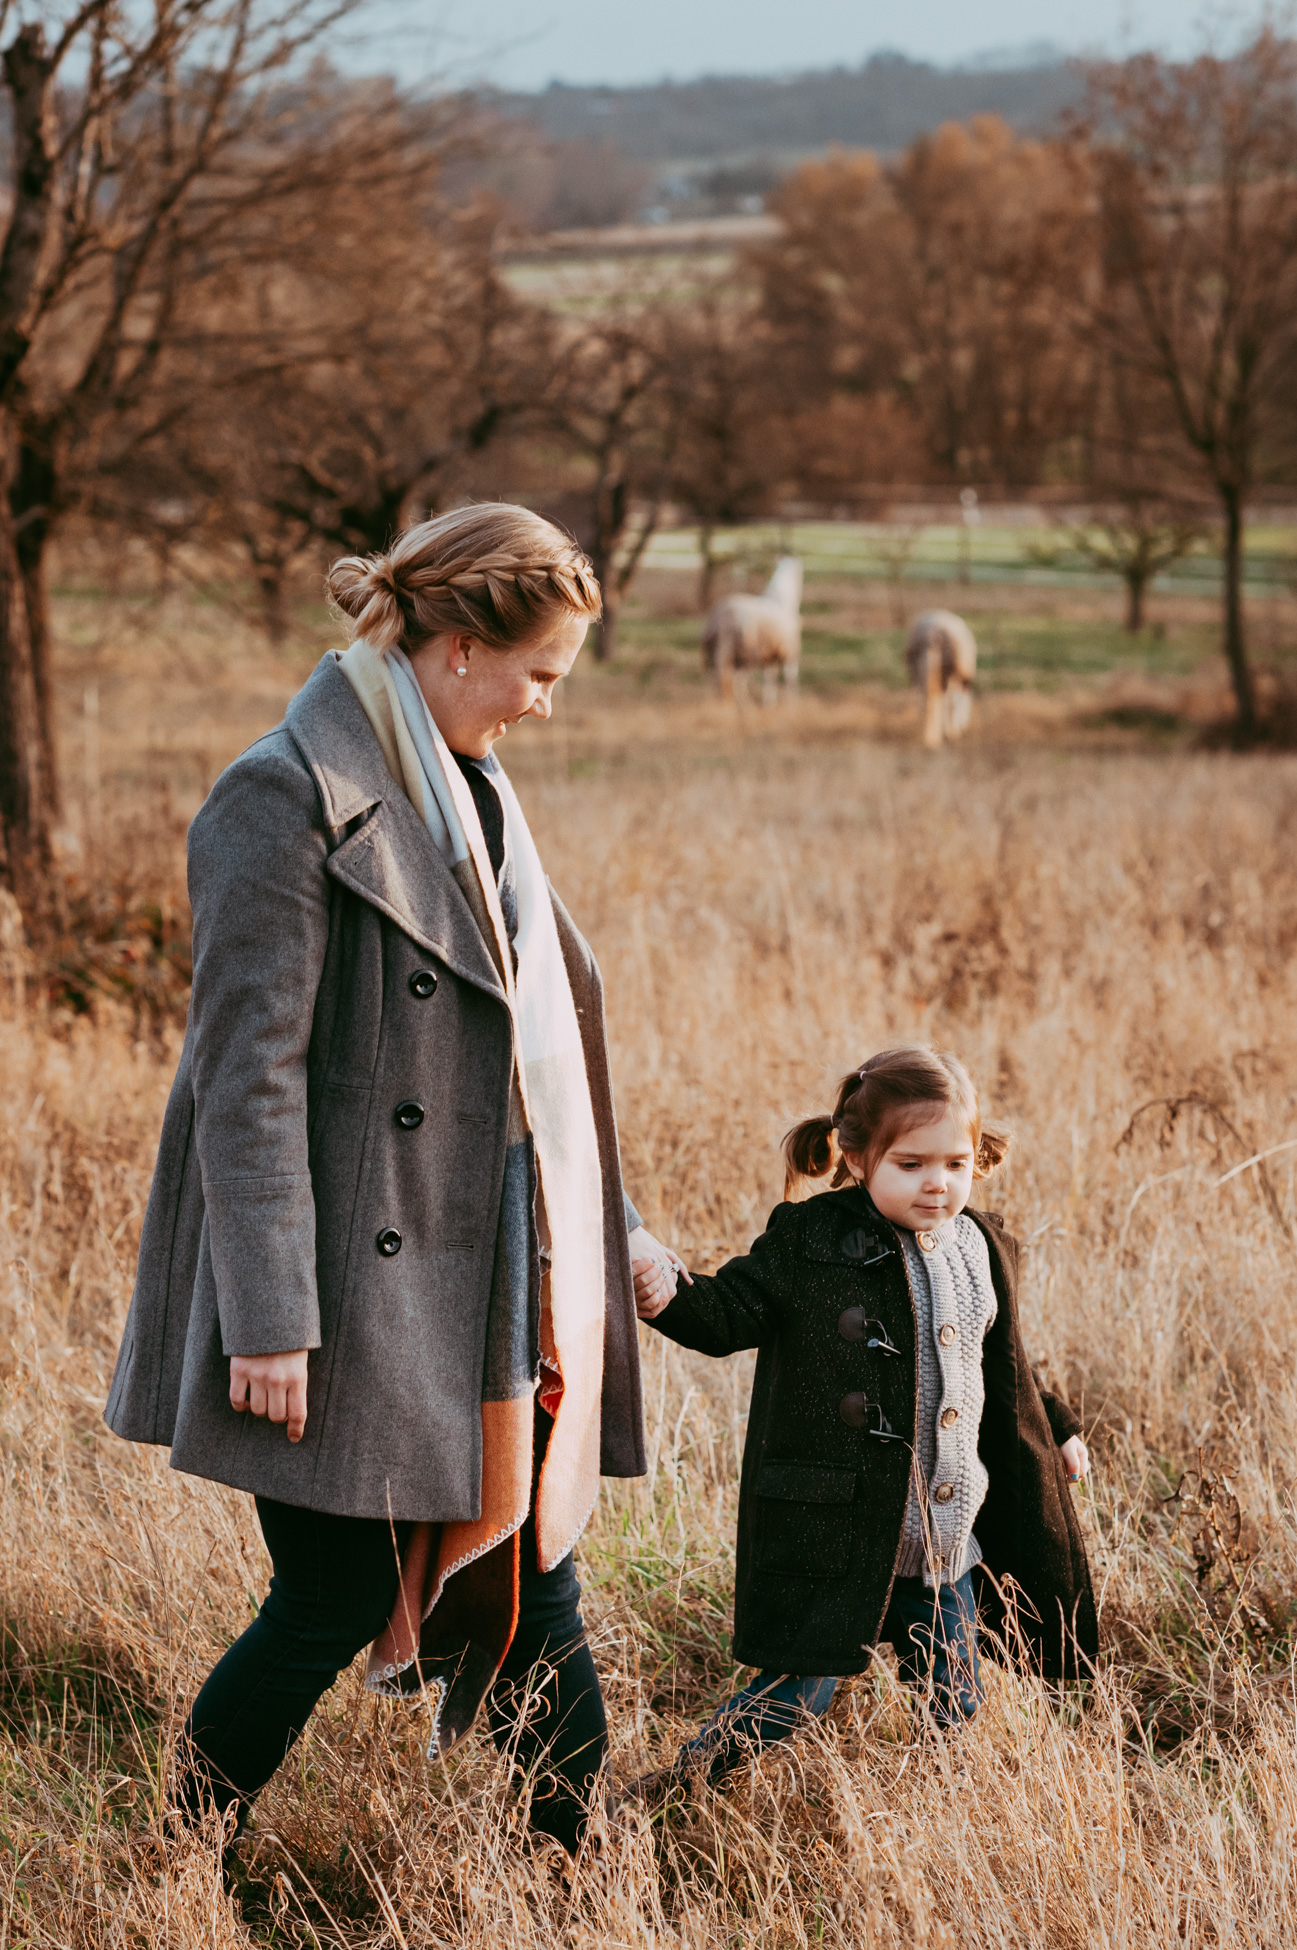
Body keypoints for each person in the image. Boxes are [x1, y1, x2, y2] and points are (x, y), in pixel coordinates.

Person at [105, 504, 683, 1863]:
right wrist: (266, 1318)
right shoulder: (282, 790)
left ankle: (568, 1874)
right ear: (464, 648)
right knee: (327, 1596)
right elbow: (246, 1079)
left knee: (531, 1583)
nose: (547, 703)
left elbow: (535, 1056)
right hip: (332, 1288)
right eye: (540, 672)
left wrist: (622, 1231)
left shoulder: (473, 788)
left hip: (487, 1274)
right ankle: (171, 1861)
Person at [631, 1045, 1096, 1788]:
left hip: (941, 1541)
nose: (937, 1184)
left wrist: (1059, 1426)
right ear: (853, 1158)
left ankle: (932, 1827)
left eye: (955, 1162)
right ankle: (678, 1785)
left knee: (954, 1704)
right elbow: (727, 1315)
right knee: (796, 1694)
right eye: (909, 1165)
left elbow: (1002, 1358)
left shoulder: (981, 1246)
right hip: (840, 1527)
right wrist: (664, 1295)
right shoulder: (810, 1242)